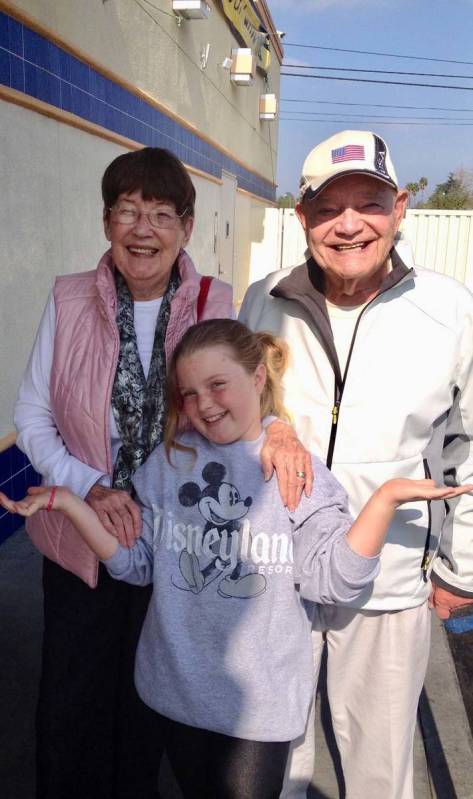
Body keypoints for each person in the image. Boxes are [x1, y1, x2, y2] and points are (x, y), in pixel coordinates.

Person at [3, 319, 469, 799]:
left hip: (256, 712)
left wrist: (384, 501)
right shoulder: (170, 461)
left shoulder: (293, 470)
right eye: (189, 393)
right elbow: (138, 563)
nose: (204, 403)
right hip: (174, 693)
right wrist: (70, 503)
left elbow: (333, 581)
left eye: (217, 385)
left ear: (258, 378)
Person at [13, 147, 308, 799]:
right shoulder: (67, 298)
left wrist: (279, 425)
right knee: (69, 706)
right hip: (83, 541)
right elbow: (32, 413)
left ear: (187, 227)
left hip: (173, 543)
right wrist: (91, 484)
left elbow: (250, 393)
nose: (142, 228)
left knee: (147, 709)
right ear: (106, 222)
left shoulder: (215, 299)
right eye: (127, 210)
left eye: (160, 213)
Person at [239, 130, 473, 799]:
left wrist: (460, 567)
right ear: (301, 216)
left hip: (387, 578)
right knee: (274, 757)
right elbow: (235, 413)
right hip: (276, 574)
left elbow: (465, 447)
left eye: (367, 202)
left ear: (398, 207)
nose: (348, 224)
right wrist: (272, 430)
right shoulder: (263, 299)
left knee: (377, 766)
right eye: (327, 206)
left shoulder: (449, 311)